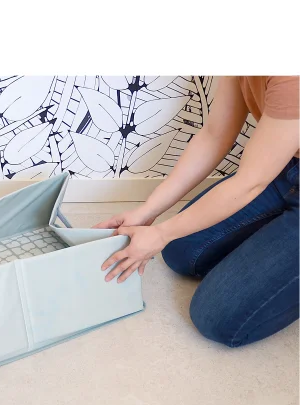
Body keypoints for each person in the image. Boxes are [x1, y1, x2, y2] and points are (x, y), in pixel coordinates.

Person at [95, 76, 299, 348]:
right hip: (286, 168)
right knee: (180, 249)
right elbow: (215, 135)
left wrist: (161, 233)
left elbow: (250, 183)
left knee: (216, 317)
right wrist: (148, 212)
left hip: (265, 176)